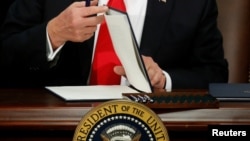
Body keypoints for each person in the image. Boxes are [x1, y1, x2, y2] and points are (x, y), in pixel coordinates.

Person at [0, 0, 228, 91]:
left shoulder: (195, 4)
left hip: (151, 124)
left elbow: (214, 75)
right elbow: (6, 51)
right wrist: (52, 34)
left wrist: (163, 79)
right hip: (56, 124)